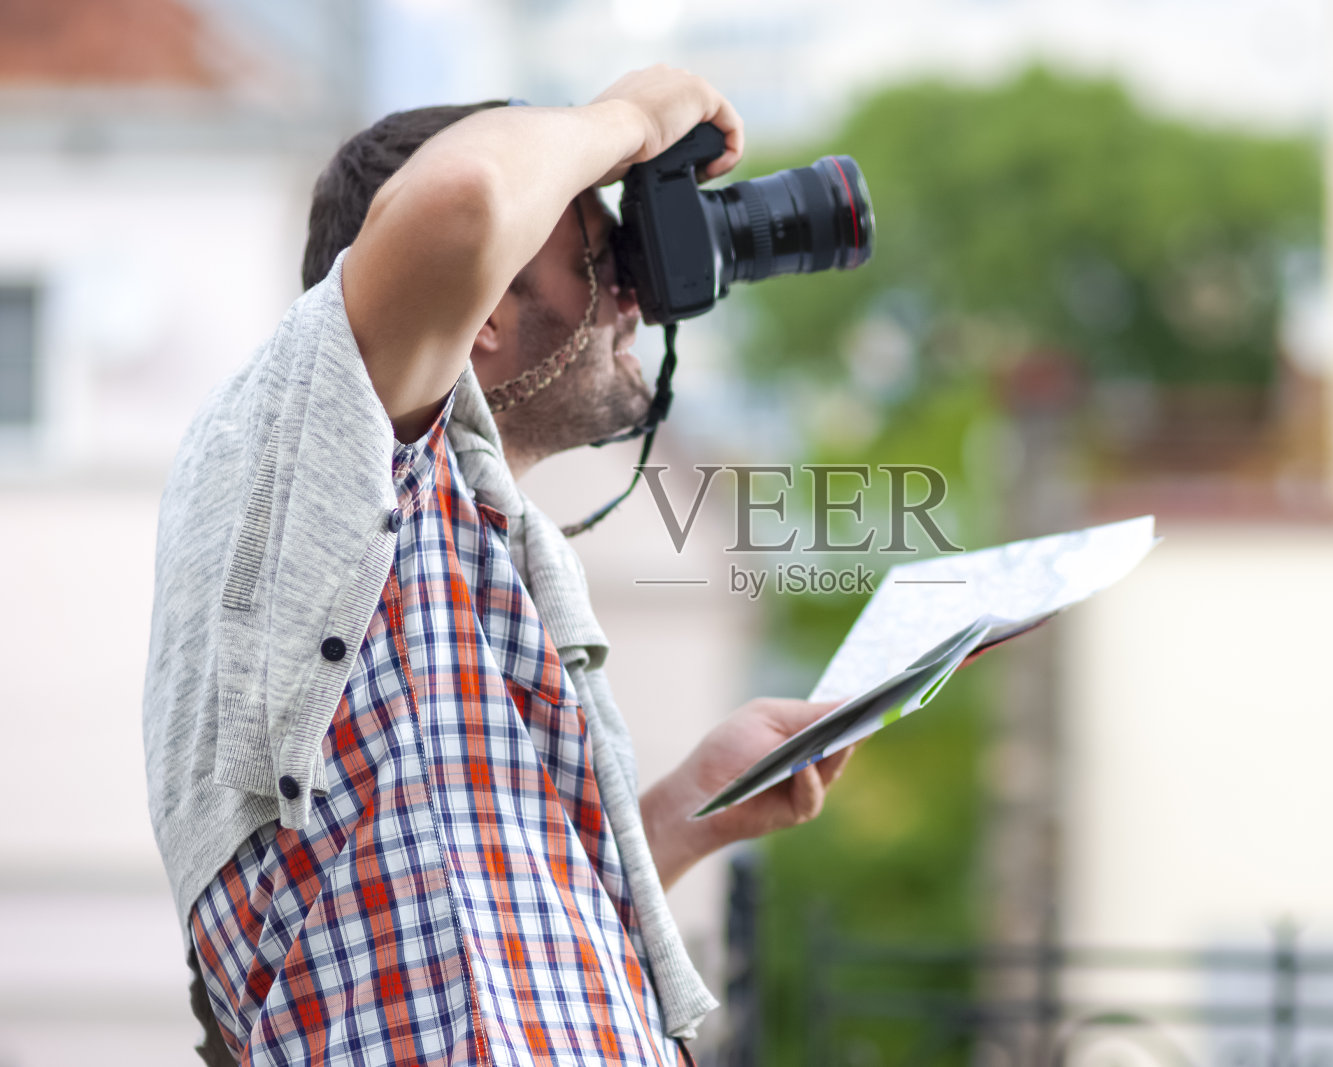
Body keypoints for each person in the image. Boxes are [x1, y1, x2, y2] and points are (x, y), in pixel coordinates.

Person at [143, 65, 853, 1065]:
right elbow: (463, 199)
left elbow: (480, 896)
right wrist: (632, 118)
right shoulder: (305, 447)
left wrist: (690, 805)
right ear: (478, 301)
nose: (633, 300)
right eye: (596, 258)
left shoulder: (451, 552)